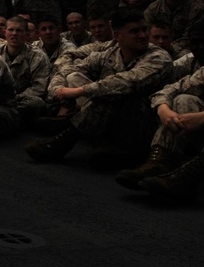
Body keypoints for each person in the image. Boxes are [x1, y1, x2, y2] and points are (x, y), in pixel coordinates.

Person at [25, 9, 173, 169]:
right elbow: (70, 69)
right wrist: (58, 89)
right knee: (82, 81)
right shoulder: (110, 53)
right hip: (115, 121)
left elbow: (127, 82)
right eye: (134, 31)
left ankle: (64, 140)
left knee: (111, 93)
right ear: (118, 36)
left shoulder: (159, 56)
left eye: (144, 30)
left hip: (148, 124)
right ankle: (107, 145)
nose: (143, 35)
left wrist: (79, 91)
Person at [115, 22, 204, 200]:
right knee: (183, 100)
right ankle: (159, 162)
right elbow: (175, 88)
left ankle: (186, 177)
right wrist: (163, 109)